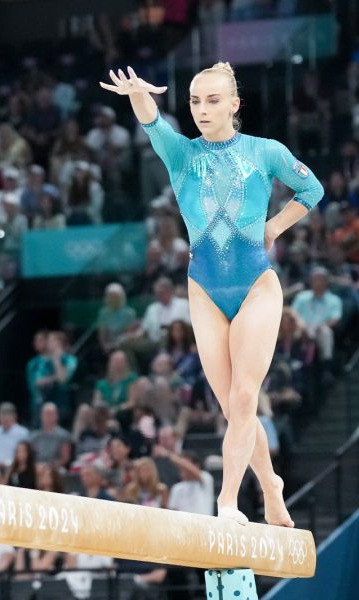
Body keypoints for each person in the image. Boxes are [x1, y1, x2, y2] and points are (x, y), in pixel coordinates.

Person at [100, 62, 324, 526]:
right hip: (204, 289)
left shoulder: (265, 152)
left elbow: (312, 187)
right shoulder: (181, 155)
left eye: (213, 100)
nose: (202, 109)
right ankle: (272, 485)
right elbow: (150, 120)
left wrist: (275, 226)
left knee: (245, 399)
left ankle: (228, 503)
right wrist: (138, 92)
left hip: (257, 286)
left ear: (235, 104)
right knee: (231, 405)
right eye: (196, 101)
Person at [166, 450, 216, 515]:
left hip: (202, 523)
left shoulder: (206, 478)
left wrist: (169, 455)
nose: (182, 467)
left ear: (197, 466)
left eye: (186, 463)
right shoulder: (176, 487)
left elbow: (192, 470)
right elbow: (172, 510)